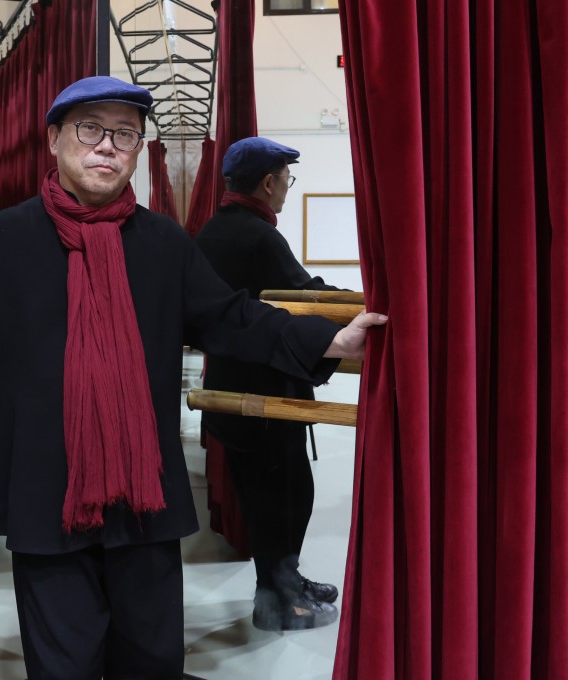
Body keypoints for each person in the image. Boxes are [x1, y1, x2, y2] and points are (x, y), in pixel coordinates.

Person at [0, 76, 386, 679]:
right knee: (63, 666)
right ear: (54, 139)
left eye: (124, 134)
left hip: (145, 500)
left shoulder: (164, 243)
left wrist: (329, 338)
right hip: (47, 498)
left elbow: (233, 318)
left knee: (151, 661)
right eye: (90, 129)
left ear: (138, 149)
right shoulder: (1, 241)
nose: (107, 146)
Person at [195, 136, 348, 631]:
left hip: (230, 391)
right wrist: (355, 301)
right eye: (287, 179)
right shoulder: (260, 237)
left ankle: (285, 583)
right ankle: (277, 600)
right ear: (268, 182)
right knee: (286, 496)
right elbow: (302, 295)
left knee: (262, 496)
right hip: (268, 396)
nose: (286, 188)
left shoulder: (214, 230)